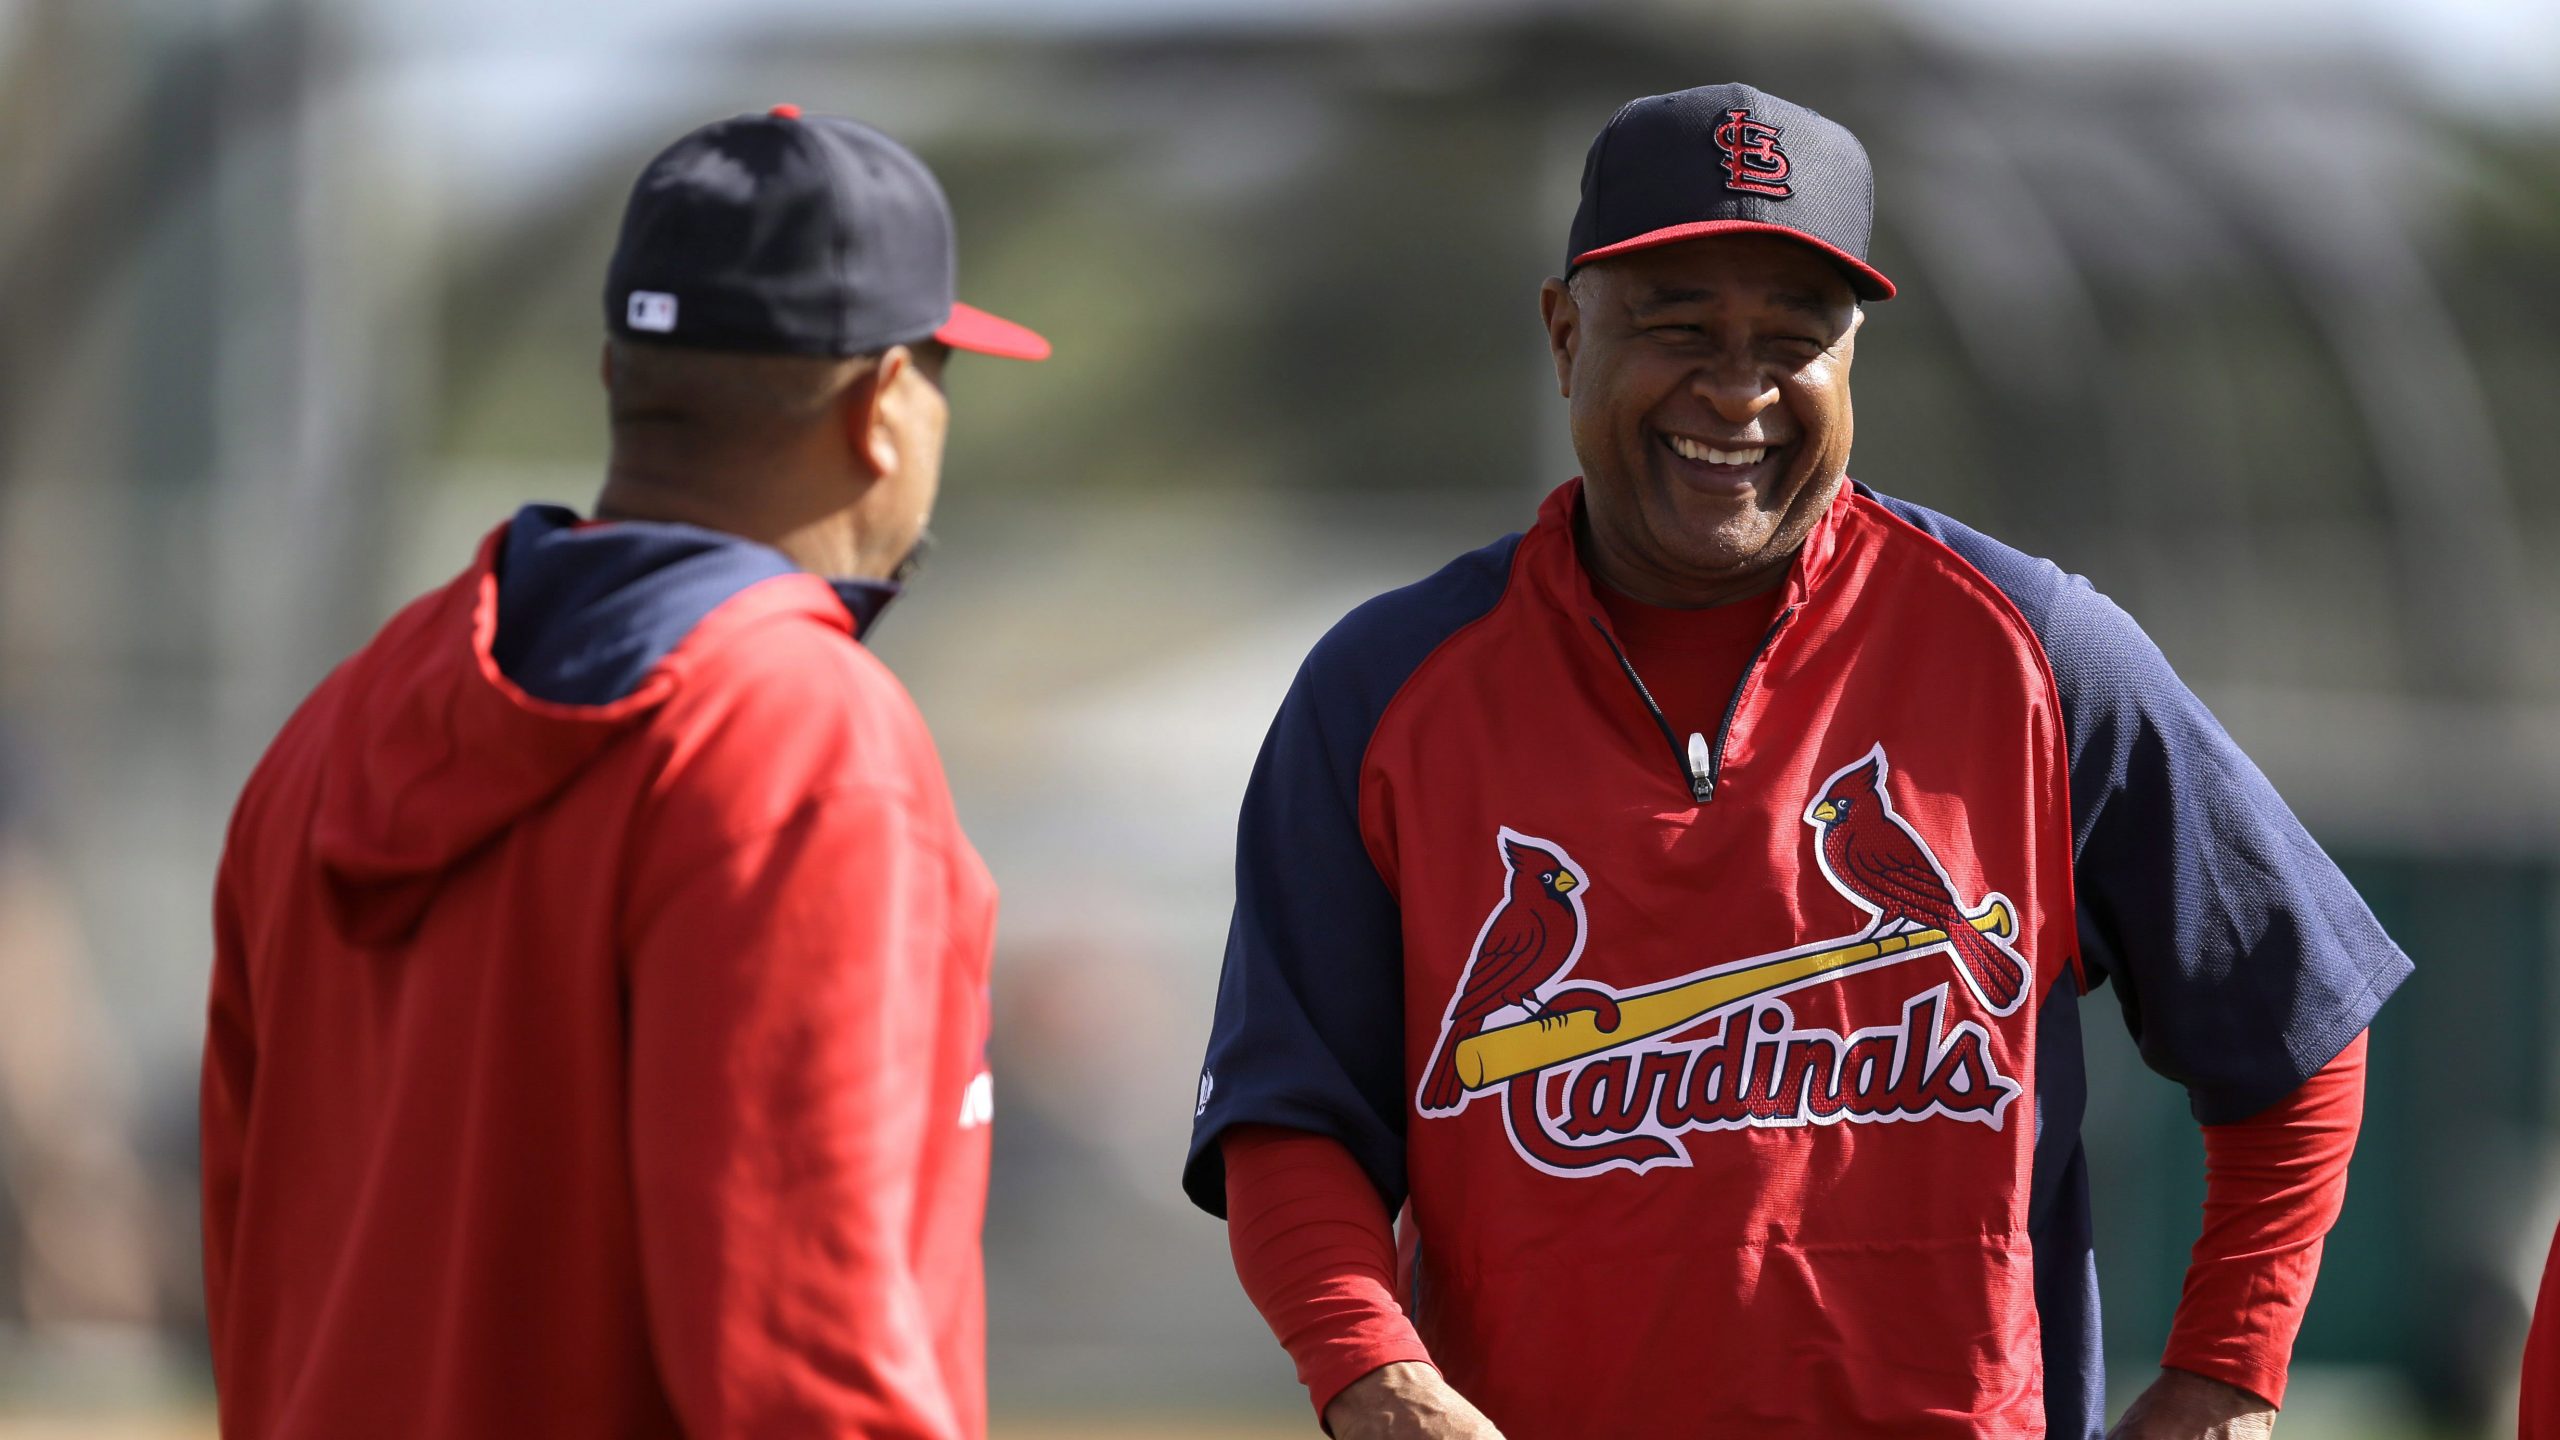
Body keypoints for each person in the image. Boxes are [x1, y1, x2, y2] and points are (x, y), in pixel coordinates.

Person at [1184, 84, 2403, 1440]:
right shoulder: (1381, 689)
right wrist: (1373, 1377)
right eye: (1679, 326)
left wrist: (2229, 1373)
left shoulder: (2040, 652)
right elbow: (1288, 1120)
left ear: (1850, 366)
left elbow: (2296, 1023)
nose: (1738, 388)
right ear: (1563, 332)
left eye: (1795, 338)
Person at [200, 106, 1046, 1439]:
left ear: (616, 369)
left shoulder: (332, 729)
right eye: (941, 374)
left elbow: (253, 1280)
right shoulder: (800, 734)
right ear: (885, 406)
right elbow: (803, 1354)